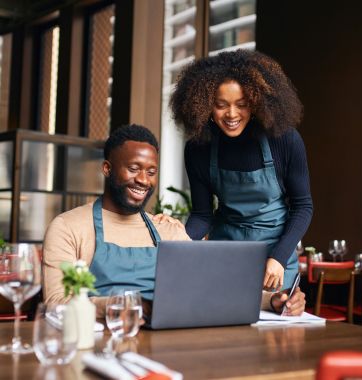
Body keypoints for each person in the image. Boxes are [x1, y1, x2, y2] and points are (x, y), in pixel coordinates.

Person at [43, 124, 305, 317]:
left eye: (151, 172)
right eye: (133, 169)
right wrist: (123, 306)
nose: (143, 180)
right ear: (107, 169)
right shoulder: (69, 227)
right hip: (99, 343)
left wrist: (274, 301)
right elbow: (55, 304)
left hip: (166, 344)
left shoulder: (167, 229)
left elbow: (211, 289)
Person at [170, 49, 313, 292]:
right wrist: (177, 242)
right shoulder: (198, 149)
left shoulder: (285, 140)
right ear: (205, 105)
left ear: (256, 103)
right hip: (226, 252)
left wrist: (278, 258)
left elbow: (303, 207)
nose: (232, 114)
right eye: (221, 105)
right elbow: (202, 216)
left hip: (275, 254)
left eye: (242, 104)